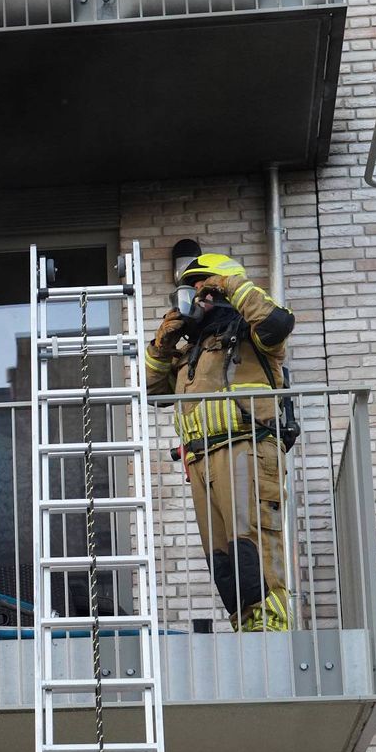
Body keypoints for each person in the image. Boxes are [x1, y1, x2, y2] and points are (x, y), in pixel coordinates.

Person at [145, 240, 295, 632]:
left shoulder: (253, 336)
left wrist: (232, 284)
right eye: (190, 295)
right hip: (200, 462)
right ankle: (246, 628)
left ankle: (272, 632)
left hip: (245, 447)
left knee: (255, 545)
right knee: (224, 561)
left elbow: (278, 322)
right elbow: (150, 391)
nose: (197, 302)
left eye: (203, 292)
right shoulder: (191, 351)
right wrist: (161, 346)